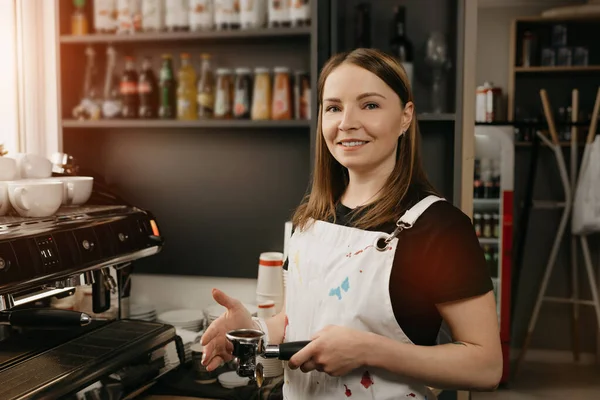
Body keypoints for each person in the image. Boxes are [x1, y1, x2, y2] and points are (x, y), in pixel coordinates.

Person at [201, 48, 502, 399]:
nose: (347, 122)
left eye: (369, 105)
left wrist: (367, 351)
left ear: (405, 117)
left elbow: (486, 366)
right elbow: (298, 317)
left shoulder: (440, 228)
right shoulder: (310, 218)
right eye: (334, 107)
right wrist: (254, 332)